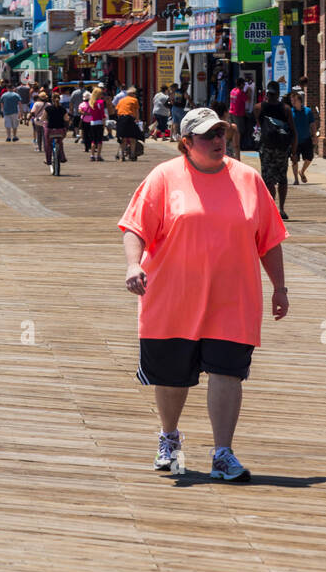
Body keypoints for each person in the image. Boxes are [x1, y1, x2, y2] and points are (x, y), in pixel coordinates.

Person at [119, 106, 289, 481]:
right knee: (171, 376)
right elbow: (134, 227)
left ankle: (222, 453)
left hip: (233, 298)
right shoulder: (163, 177)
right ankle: (169, 436)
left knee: (227, 372)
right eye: (208, 135)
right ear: (185, 143)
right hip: (172, 297)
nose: (217, 141)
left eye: (221, 133)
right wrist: (134, 265)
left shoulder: (248, 179)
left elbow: (270, 239)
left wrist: (280, 287)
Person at [256, 82, 295, 221]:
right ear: (279, 94)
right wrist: (294, 152)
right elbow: (293, 131)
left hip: (267, 147)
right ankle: (281, 209)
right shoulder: (286, 109)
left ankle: (272, 207)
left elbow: (259, 124)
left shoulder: (259, 107)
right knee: (281, 179)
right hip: (282, 148)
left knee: (269, 179)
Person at [290, 89, 319, 185]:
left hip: (306, 138)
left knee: (309, 157)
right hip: (295, 140)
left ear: (299, 100)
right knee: (294, 159)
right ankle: (296, 179)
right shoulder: (290, 112)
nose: (292, 102)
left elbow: (312, 124)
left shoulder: (308, 111)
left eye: (294, 100)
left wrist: (314, 136)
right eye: (291, 100)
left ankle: (301, 171)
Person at [43, 93, 69, 169]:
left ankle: (48, 160)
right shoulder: (63, 109)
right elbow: (66, 119)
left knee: (48, 144)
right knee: (60, 142)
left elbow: (43, 118)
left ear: (52, 99)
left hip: (50, 131)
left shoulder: (48, 108)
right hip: (61, 131)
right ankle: (62, 157)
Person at [115, 86, 141, 162]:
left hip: (121, 119)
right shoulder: (134, 100)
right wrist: (137, 120)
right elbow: (137, 111)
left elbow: (117, 111)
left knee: (123, 139)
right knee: (132, 138)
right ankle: (132, 155)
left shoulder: (121, 100)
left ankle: (121, 155)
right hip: (130, 119)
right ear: (133, 94)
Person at [85, 86, 107, 162]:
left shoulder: (91, 102)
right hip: (99, 122)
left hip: (92, 122)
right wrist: (104, 122)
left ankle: (92, 155)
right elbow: (102, 113)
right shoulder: (100, 102)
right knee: (100, 140)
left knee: (93, 140)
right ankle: (98, 155)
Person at [228, 78, 247, 147]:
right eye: (244, 84)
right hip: (238, 114)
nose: (245, 85)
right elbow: (247, 99)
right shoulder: (240, 92)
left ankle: (232, 143)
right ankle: (237, 145)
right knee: (239, 130)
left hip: (232, 112)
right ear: (241, 84)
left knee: (232, 129)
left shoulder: (233, 91)